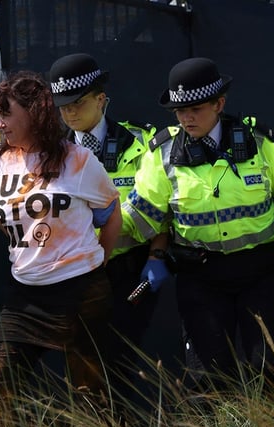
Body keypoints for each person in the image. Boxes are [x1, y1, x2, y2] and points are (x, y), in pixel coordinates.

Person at [124, 57, 274, 396]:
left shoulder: (259, 144)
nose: (186, 118)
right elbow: (139, 216)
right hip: (201, 275)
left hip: (262, 271)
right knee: (206, 375)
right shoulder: (161, 154)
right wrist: (86, 229)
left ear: (219, 104)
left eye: (195, 108)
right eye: (179, 111)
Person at [0, 70, 122, 427]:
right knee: (1, 393)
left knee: (90, 397)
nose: (0, 125)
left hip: (79, 295)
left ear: (35, 115)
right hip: (23, 297)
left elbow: (110, 213)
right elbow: (5, 219)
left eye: (6, 114)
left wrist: (97, 261)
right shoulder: (1, 162)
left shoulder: (78, 160)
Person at [48, 53, 168, 408]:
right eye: (62, 106)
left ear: (101, 99)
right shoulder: (52, 154)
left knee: (120, 362)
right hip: (75, 275)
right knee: (83, 366)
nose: (69, 113)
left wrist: (157, 254)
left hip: (128, 270)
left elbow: (159, 208)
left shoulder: (144, 143)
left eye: (78, 103)